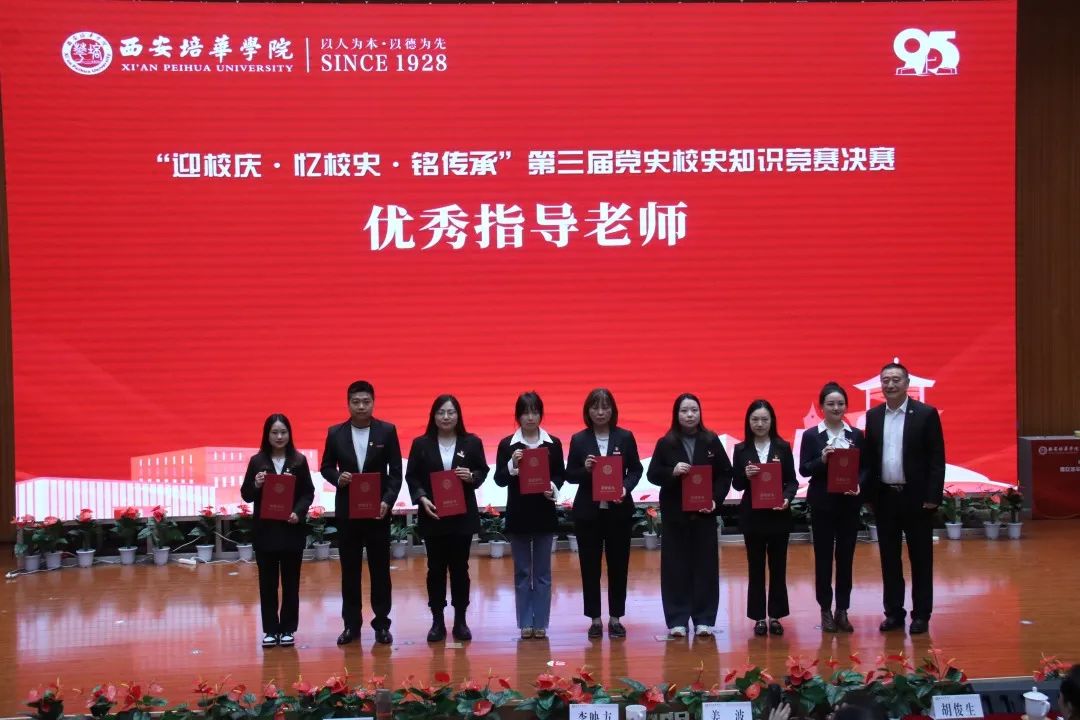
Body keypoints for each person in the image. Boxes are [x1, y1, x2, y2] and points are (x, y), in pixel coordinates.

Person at [861, 361, 946, 635]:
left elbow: (936, 459)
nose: (890, 384)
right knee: (889, 559)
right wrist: (868, 494)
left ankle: (921, 615)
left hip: (916, 498)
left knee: (921, 559)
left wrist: (933, 496)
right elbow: (869, 460)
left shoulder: (925, 414)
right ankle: (894, 613)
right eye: (885, 380)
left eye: (896, 379)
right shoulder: (873, 416)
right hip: (885, 497)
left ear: (907, 384)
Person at [320, 380, 403, 646]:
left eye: (366, 401)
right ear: (348, 404)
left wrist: (388, 500)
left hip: (378, 512)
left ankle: (382, 625)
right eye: (356, 402)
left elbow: (396, 473)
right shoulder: (335, 433)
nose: (361, 406)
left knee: (380, 571)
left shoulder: (387, 431)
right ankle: (351, 625)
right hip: (348, 513)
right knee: (350, 572)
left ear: (373, 403)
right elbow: (325, 467)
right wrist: (337, 478)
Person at [645, 393, 733, 638]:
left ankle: (704, 619)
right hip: (676, 516)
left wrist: (715, 500)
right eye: (684, 411)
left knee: (706, 566)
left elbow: (725, 473)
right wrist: (672, 472)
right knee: (675, 567)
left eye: (694, 410)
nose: (690, 415)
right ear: (677, 414)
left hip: (704, 514)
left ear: (700, 413)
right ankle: (677, 620)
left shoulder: (711, 440)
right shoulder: (666, 443)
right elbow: (653, 474)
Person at [405, 394, 490, 642]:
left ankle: (461, 620)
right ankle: (437, 621)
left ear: (458, 415)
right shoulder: (421, 444)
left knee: (460, 568)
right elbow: (412, 477)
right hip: (433, 515)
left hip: (462, 517)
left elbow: (482, 470)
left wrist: (471, 477)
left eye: (451, 412)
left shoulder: (471, 442)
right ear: (433, 416)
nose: (446, 417)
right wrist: (421, 497)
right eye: (441, 412)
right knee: (435, 569)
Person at [565, 387, 643, 639]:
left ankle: (616, 618)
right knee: (590, 568)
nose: (600, 412)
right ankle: (595, 619)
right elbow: (570, 474)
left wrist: (625, 487)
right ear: (588, 411)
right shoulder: (579, 439)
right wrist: (585, 470)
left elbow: (636, 469)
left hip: (618, 513)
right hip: (588, 514)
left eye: (605, 407)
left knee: (619, 567)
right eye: (595, 407)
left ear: (613, 410)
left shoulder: (625, 437)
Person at [493, 391, 566, 639]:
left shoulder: (553, 444)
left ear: (541, 414)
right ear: (518, 416)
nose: (530, 417)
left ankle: (541, 623)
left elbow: (560, 475)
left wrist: (552, 488)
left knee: (543, 573)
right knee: (523, 572)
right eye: (525, 412)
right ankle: (525, 622)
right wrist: (512, 464)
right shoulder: (507, 445)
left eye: (535, 412)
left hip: (544, 515)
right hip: (519, 516)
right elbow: (499, 479)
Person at [240, 413, 315, 648]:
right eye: (275, 432)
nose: (279, 436)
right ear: (267, 435)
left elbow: (308, 492)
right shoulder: (257, 461)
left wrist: (298, 512)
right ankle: (271, 630)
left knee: (291, 583)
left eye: (283, 432)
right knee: (268, 584)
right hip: (266, 533)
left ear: (289, 434)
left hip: (292, 530)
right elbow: (246, 495)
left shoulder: (299, 461)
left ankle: (288, 629)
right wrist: (256, 484)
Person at [799, 381, 865, 633]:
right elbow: (804, 469)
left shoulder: (856, 435)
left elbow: (865, 468)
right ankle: (825, 610)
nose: (836, 408)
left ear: (846, 406)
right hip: (823, 504)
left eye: (840, 403)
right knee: (824, 558)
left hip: (848, 504)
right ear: (821, 407)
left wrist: (859, 484)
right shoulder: (811, 435)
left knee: (846, 558)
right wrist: (822, 459)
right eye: (831, 404)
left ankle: (843, 610)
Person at [731, 399, 798, 637]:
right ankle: (759, 617)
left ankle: (776, 616)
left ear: (772, 421)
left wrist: (787, 498)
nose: (759, 424)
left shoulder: (782, 447)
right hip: (753, 518)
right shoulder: (741, 449)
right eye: (755, 419)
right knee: (756, 568)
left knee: (778, 567)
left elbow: (792, 481)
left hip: (778, 516)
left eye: (764, 419)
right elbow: (737, 484)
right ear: (748, 422)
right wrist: (745, 475)